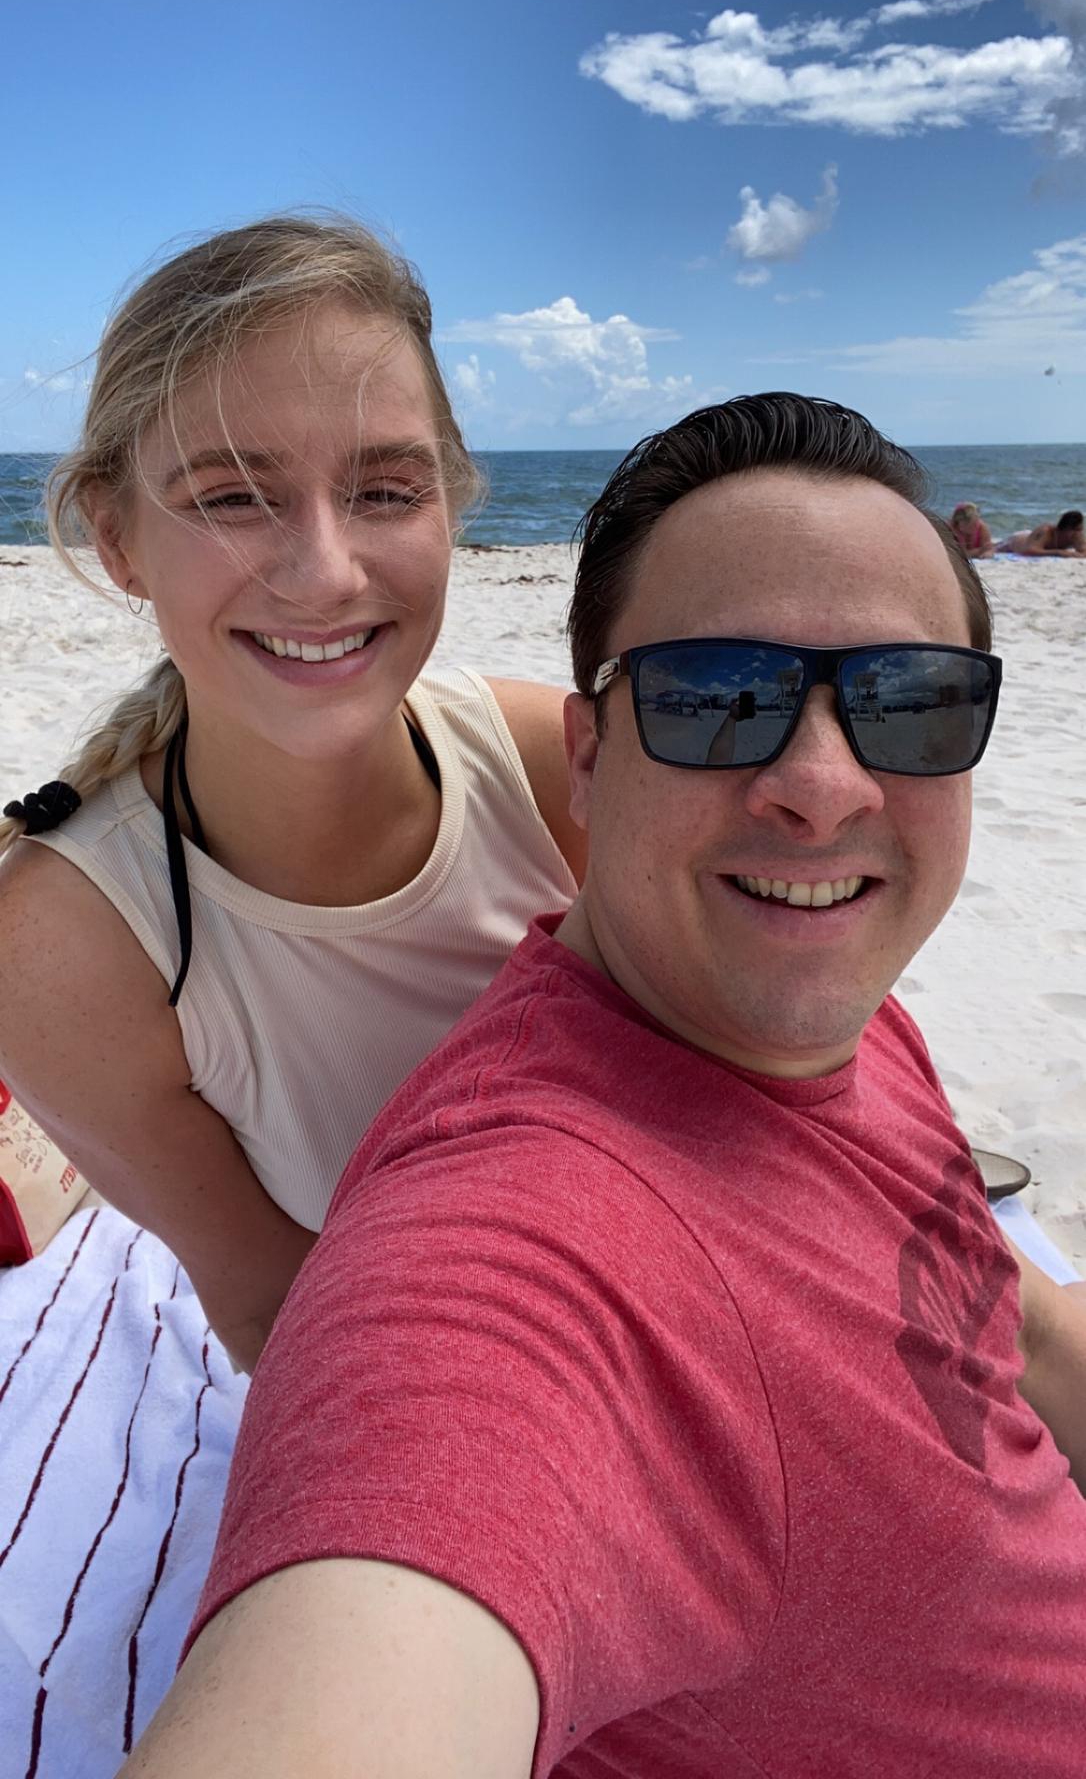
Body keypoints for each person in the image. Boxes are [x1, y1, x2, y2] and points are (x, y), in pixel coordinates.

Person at [123, 395, 1086, 1779]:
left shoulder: (826, 1006)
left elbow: (1015, 1323)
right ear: (585, 756)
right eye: (714, 697)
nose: (824, 787)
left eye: (910, 701)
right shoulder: (524, 1244)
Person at [0, 215, 582, 1373]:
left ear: (451, 506)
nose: (323, 574)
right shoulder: (63, 944)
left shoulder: (561, 766)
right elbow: (283, 1317)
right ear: (116, 538)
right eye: (231, 497)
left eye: (386, 490)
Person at [998, 509, 1085, 557]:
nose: (1078, 533)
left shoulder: (1076, 536)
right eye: (1076, 530)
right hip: (1017, 541)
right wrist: (1058, 552)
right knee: (995, 548)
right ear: (1066, 528)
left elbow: (1083, 553)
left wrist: (1080, 547)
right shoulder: (1046, 531)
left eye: (1079, 530)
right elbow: (1030, 550)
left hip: (1030, 538)